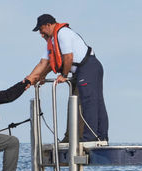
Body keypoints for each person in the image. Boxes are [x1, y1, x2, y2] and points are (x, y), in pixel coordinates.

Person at [28, 14, 109, 144]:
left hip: (89, 67)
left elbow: (68, 58)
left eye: (41, 29)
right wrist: (32, 79)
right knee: (79, 102)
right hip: (82, 71)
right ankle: (78, 136)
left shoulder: (62, 34)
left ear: (49, 25)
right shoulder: (52, 41)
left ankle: (91, 138)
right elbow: (44, 63)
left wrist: (64, 76)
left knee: (90, 102)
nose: (41, 34)